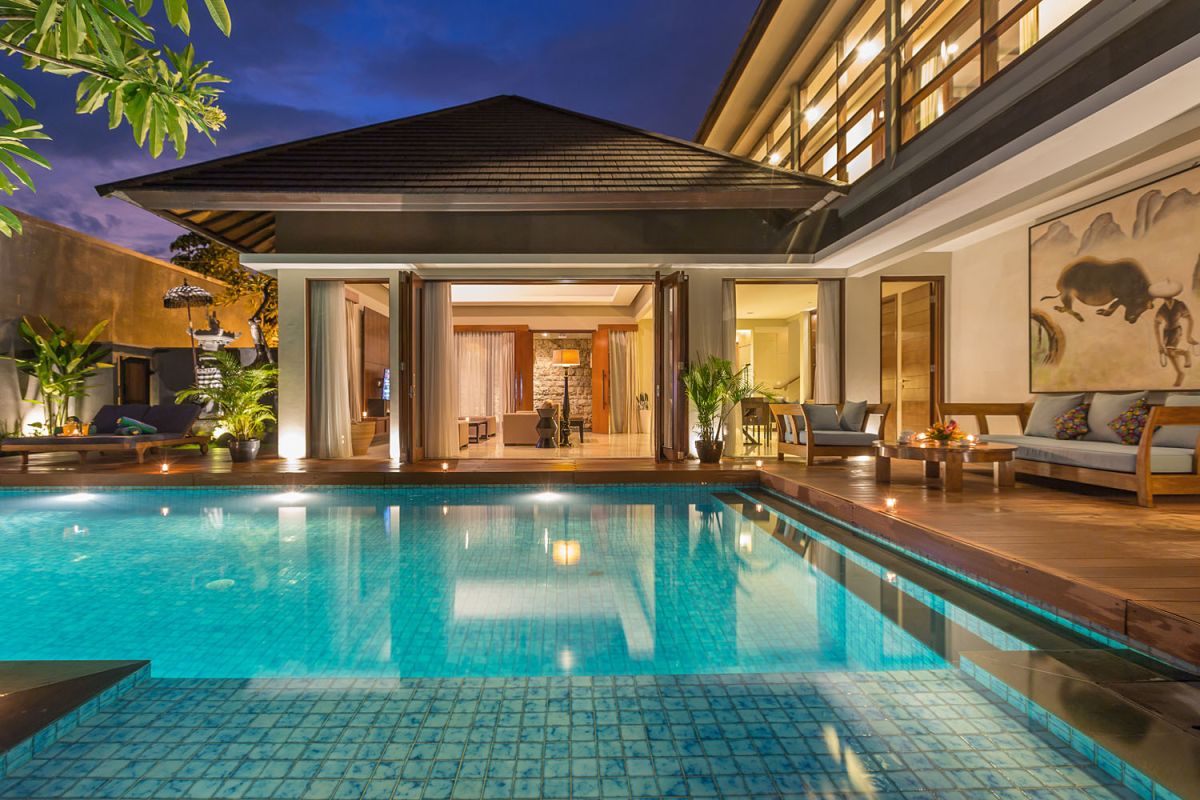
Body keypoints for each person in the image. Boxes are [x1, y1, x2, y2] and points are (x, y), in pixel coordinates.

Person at [1151, 279, 1198, 387]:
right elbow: (1156, 325)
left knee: (1170, 351)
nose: (1167, 297)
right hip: (1166, 332)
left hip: (1176, 330)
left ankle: (1180, 373)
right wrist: (1159, 345)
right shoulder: (1162, 309)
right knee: (1169, 353)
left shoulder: (1180, 304)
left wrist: (1188, 336)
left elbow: (1190, 319)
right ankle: (1184, 356)